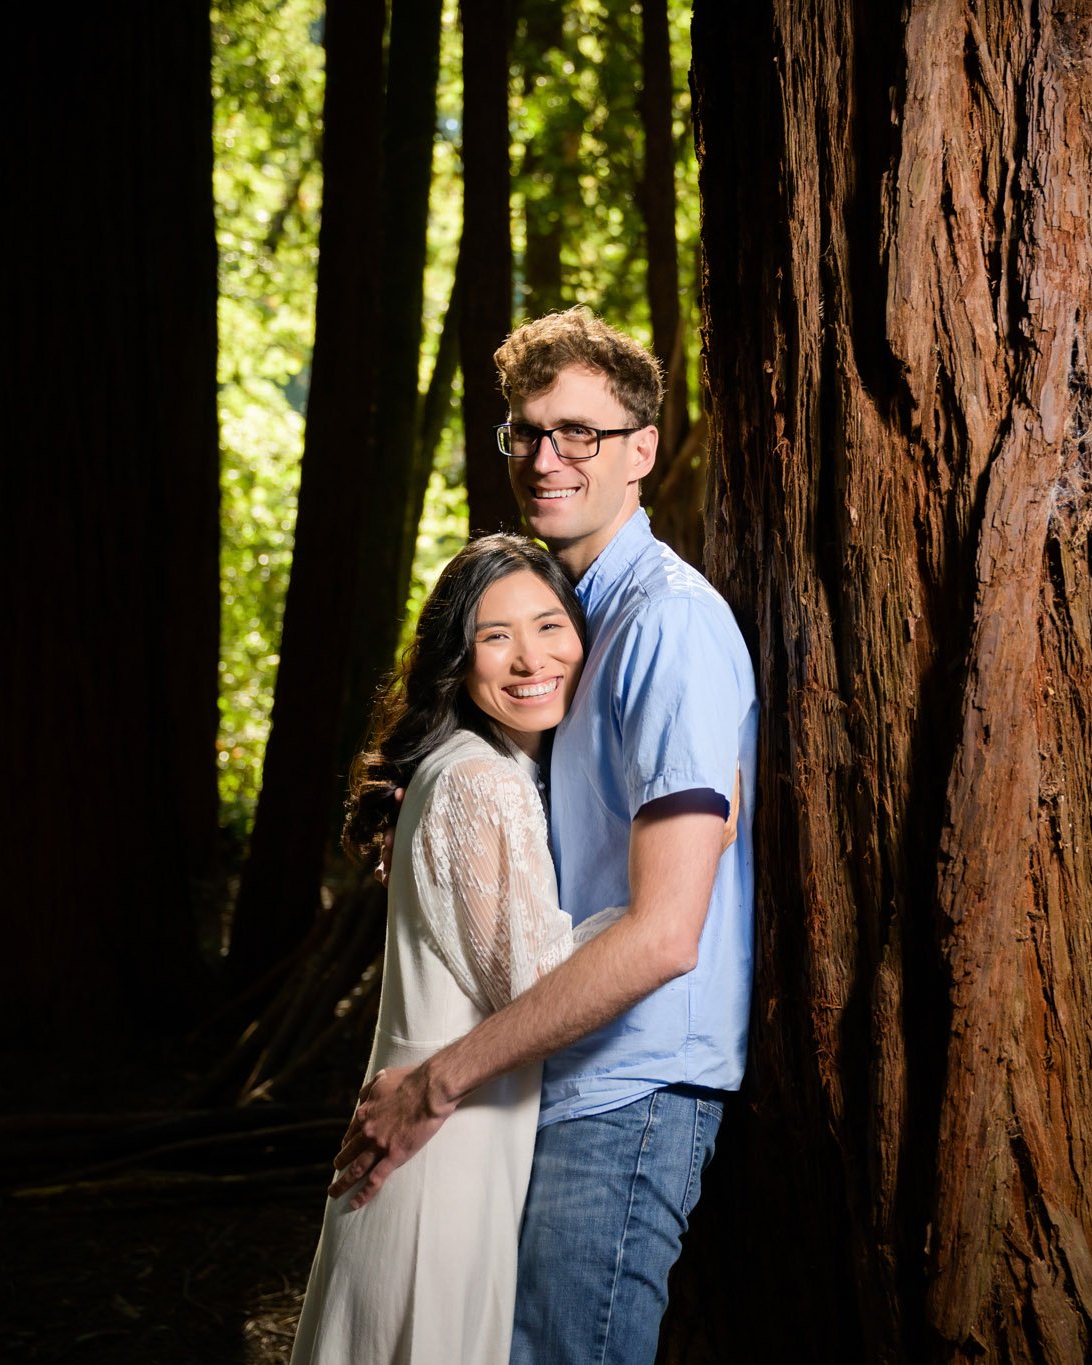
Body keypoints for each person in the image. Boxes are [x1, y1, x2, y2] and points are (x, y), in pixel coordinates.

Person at [330, 307, 758, 1365]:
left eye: (580, 432)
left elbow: (665, 935)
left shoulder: (665, 623)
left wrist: (437, 1080)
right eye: (525, 432)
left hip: (629, 1088)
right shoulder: (577, 619)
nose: (545, 457)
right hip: (558, 1078)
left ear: (642, 451)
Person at [290, 534, 593, 1362]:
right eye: (495, 637)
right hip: (438, 1171)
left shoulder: (475, 766)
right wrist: (667, 898)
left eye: (548, 624)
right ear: (458, 660)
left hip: (448, 1156)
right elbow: (539, 993)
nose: (531, 657)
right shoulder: (478, 781)